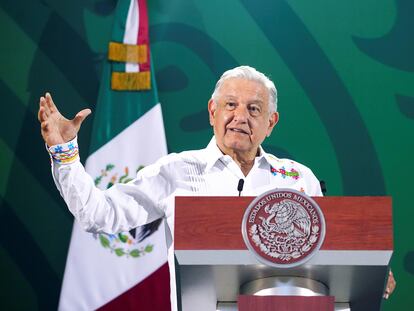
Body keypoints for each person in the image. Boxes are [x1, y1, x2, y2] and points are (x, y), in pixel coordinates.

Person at [38, 66, 394, 309]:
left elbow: (330, 252)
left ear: (271, 123)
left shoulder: (298, 178)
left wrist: (370, 267)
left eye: (254, 109)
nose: (241, 116)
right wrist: (65, 155)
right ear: (212, 111)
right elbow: (99, 213)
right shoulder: (177, 171)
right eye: (230, 105)